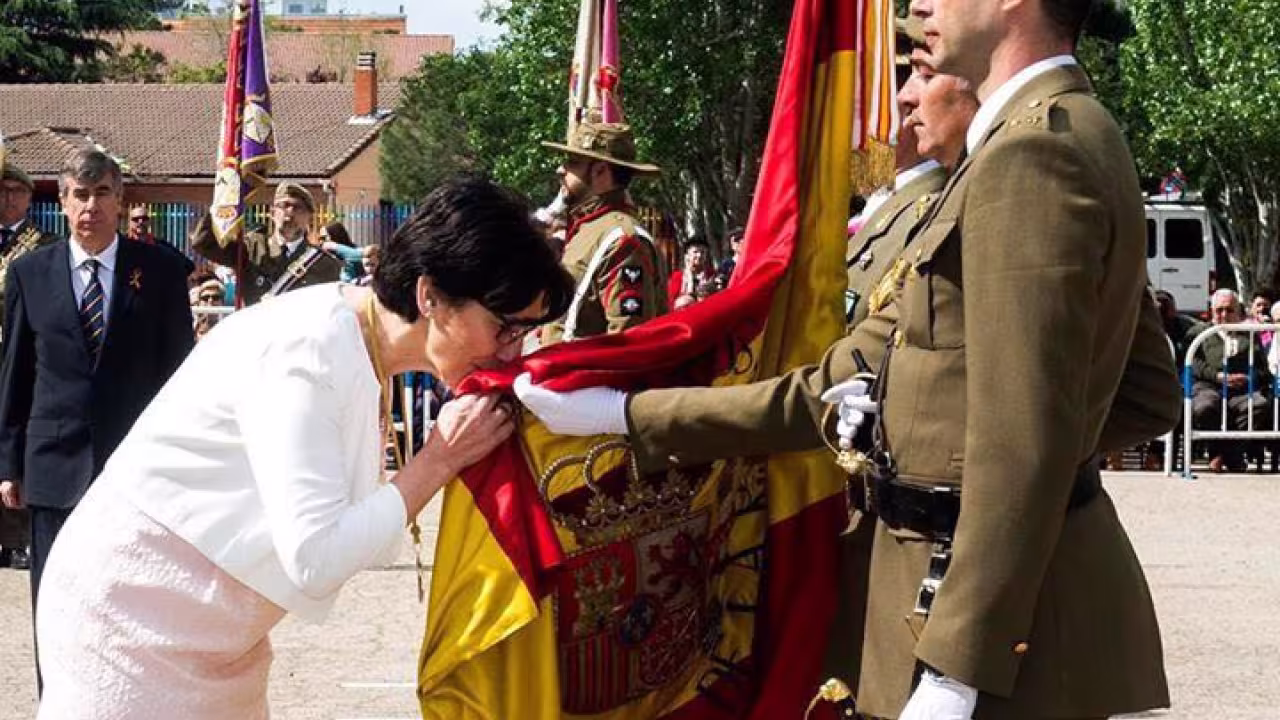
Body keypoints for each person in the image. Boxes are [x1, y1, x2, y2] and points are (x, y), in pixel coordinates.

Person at [516, 0, 1183, 717]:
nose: (921, 6)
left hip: (986, 634)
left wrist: (959, 666)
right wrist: (622, 412)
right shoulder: (1065, 133)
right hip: (992, 597)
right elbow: (1138, 391)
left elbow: (1025, 442)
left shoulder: (1030, 155)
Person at [32, 177, 575, 718]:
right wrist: (438, 459)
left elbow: (365, 537)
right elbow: (316, 559)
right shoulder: (308, 351)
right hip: (131, 624)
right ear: (429, 295)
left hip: (216, 641)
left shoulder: (357, 343)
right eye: (504, 327)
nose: (513, 353)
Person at [0, 149, 195, 689]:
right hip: (53, 468)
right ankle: (58, 701)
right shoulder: (28, 274)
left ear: (120, 199)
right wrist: (8, 462)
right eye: (80, 195)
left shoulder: (158, 271)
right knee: (56, 601)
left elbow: (180, 378)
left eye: (102, 194)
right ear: (61, 202)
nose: (91, 206)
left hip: (134, 473)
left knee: (130, 604)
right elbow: (15, 375)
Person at [539, 121, 668, 344]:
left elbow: (627, 343)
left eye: (573, 162)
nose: (561, 170)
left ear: (600, 171)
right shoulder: (589, 229)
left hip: (588, 378)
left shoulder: (623, 239)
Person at [0, 161, 56, 571]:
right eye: (1, 192)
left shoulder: (45, 244)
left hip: (17, 356)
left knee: (13, 445)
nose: (6, 199)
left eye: (15, 192)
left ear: (28, 197)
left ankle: (17, 538)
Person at [191, 183, 341, 306]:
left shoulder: (323, 263)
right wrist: (222, 205)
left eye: (297, 207)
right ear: (272, 212)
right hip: (258, 336)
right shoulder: (252, 247)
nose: (290, 211)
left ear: (309, 217)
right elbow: (203, 244)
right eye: (284, 205)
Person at [1191, 288, 1272, 473]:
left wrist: (1247, 378)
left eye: (1229, 310)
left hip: (1242, 390)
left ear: (1239, 311)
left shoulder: (1250, 335)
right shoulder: (1199, 332)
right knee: (1206, 406)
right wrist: (1218, 376)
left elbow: (1262, 369)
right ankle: (1221, 454)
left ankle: (1229, 453)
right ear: (1211, 312)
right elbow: (1193, 363)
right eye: (1219, 310)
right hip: (1208, 386)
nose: (1224, 315)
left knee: (1258, 405)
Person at [667, 238, 718, 310]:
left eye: (702, 252)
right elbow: (671, 302)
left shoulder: (711, 275)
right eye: (695, 252)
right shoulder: (678, 276)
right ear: (687, 255)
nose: (699, 255)